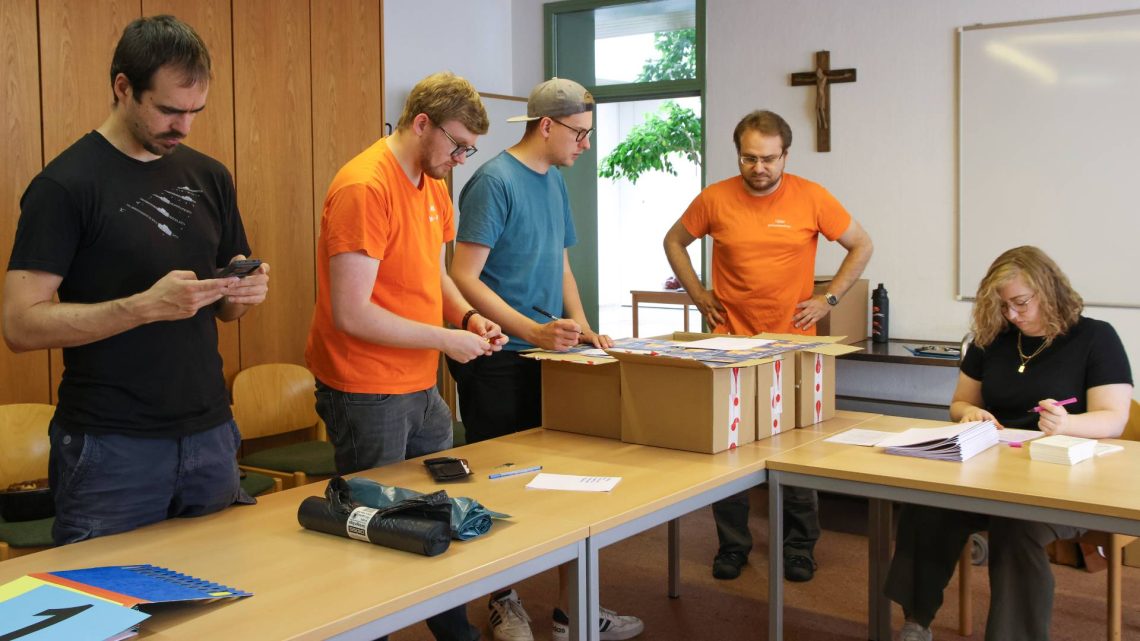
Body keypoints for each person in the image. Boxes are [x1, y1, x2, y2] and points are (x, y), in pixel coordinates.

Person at [1, 15, 269, 544]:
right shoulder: (64, 185)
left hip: (211, 432)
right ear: (123, 88)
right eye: (169, 110)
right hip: (110, 446)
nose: (184, 127)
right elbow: (19, 325)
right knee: (112, 616)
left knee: (222, 609)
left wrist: (245, 294)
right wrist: (144, 306)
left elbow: (225, 308)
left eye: (195, 111)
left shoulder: (209, 175)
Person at [305, 71, 505, 641]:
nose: (462, 158)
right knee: (374, 526)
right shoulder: (365, 187)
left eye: (471, 148)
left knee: (437, 509)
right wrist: (446, 340)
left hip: (418, 383)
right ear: (422, 123)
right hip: (365, 387)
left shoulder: (432, 179)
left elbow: (433, 273)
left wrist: (465, 316)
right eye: (458, 144)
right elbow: (352, 313)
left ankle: (453, 631)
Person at [448, 78, 643, 641]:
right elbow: (463, 277)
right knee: (504, 488)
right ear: (547, 125)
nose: (585, 145)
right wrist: (531, 328)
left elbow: (559, 266)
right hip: (498, 358)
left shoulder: (554, 182)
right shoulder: (493, 182)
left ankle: (572, 611)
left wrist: (583, 327)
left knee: (565, 484)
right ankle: (503, 602)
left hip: (548, 356)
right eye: (579, 134)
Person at [663, 109, 873, 583]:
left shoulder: (812, 197)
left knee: (797, 451)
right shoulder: (715, 198)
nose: (759, 168)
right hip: (729, 347)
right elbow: (674, 241)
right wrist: (699, 294)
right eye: (749, 158)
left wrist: (829, 298)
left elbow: (861, 245)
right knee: (728, 451)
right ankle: (732, 546)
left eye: (769, 159)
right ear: (738, 155)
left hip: (793, 347)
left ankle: (798, 546)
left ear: (785, 156)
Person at [884, 246, 1133, 641]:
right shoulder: (993, 340)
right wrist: (970, 414)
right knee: (927, 503)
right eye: (1003, 306)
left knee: (1017, 526)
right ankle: (917, 620)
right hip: (995, 469)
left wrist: (1068, 423)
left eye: (1020, 303)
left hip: (1067, 476)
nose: (1012, 315)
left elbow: (1114, 419)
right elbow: (960, 402)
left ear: (1049, 291)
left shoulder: (1095, 338)